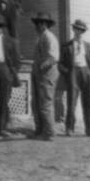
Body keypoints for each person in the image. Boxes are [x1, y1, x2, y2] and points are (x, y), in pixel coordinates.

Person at [59, 19, 90, 136]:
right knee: (71, 102)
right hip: (73, 73)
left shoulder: (89, 46)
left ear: (84, 32)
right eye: (77, 29)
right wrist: (68, 73)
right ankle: (70, 128)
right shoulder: (66, 46)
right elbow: (60, 64)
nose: (79, 32)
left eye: (81, 30)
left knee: (88, 102)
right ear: (73, 29)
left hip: (86, 73)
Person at [29, 10, 60, 141]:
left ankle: (50, 133)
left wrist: (40, 68)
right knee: (37, 103)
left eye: (41, 23)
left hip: (46, 74)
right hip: (39, 74)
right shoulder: (41, 37)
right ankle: (40, 130)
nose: (39, 26)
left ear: (46, 25)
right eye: (38, 23)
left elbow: (53, 57)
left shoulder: (49, 37)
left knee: (46, 103)